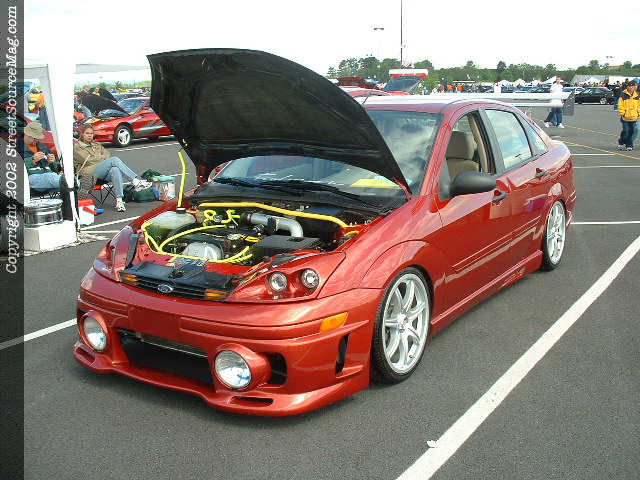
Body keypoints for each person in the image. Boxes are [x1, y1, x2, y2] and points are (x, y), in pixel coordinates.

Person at [73, 124, 151, 211]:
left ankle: (119, 201)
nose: (89, 135)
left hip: (101, 173)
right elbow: (88, 160)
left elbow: (107, 155)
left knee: (115, 169)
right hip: (87, 175)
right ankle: (135, 181)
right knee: (114, 160)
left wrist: (99, 159)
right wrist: (101, 158)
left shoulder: (97, 145)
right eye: (87, 133)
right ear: (82, 134)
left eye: (91, 133)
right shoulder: (77, 148)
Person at [17, 122, 63, 192]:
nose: (37, 140)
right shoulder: (17, 148)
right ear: (27, 135)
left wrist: (52, 162)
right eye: (35, 138)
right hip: (30, 178)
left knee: (59, 177)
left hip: (49, 176)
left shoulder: (42, 147)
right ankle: (71, 183)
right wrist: (32, 160)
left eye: (38, 138)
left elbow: (56, 170)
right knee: (51, 178)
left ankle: (73, 183)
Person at [617, 80, 639, 151]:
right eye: (630, 86)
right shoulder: (623, 94)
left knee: (631, 132)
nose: (632, 88)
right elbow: (620, 105)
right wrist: (623, 113)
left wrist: (638, 113)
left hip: (634, 117)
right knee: (626, 131)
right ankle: (621, 142)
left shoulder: (637, 95)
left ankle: (629, 145)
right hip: (625, 118)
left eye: (633, 86)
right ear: (628, 87)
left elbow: (639, 105)